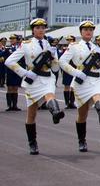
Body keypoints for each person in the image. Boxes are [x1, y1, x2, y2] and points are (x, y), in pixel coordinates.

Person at [5, 19, 65, 154]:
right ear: (33, 30)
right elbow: (9, 61)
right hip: (33, 80)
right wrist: (25, 73)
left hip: (48, 77)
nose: (40, 30)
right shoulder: (26, 45)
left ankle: (55, 112)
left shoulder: (49, 45)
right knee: (31, 114)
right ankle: (32, 143)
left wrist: (54, 55)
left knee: (50, 95)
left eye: (43, 28)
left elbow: (55, 69)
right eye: (37, 28)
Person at [58, 21, 100, 152]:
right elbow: (62, 61)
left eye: (91, 29)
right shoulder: (74, 46)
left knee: (98, 96)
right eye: (86, 29)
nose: (88, 32)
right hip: (81, 80)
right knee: (82, 115)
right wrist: (76, 72)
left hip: (96, 78)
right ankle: (81, 141)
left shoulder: (97, 48)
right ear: (81, 32)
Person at [4, 34, 23, 111]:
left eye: (13, 39)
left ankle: (15, 105)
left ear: (17, 40)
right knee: (9, 88)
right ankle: (9, 105)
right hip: (10, 70)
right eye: (11, 39)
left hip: (17, 70)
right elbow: (4, 57)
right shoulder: (7, 49)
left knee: (15, 88)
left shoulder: (20, 48)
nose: (12, 40)